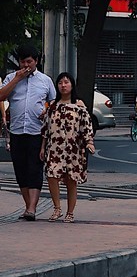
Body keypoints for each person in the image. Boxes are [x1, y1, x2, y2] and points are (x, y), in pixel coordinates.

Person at [0, 47, 56, 221]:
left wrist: (47, 111)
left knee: (35, 168)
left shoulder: (45, 80)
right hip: (17, 130)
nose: (26, 65)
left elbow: (53, 101)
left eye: (29, 62)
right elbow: (1, 96)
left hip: (37, 131)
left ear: (36, 61)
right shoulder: (11, 78)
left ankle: (31, 208)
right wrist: (17, 79)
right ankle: (28, 207)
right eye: (23, 62)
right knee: (21, 170)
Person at [39, 72, 95, 221]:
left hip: (73, 150)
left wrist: (89, 142)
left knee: (71, 180)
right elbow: (45, 128)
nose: (63, 85)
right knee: (51, 175)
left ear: (72, 85)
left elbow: (86, 126)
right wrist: (43, 147)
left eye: (66, 82)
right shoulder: (52, 106)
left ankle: (70, 213)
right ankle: (57, 208)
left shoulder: (79, 105)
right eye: (60, 83)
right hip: (54, 148)